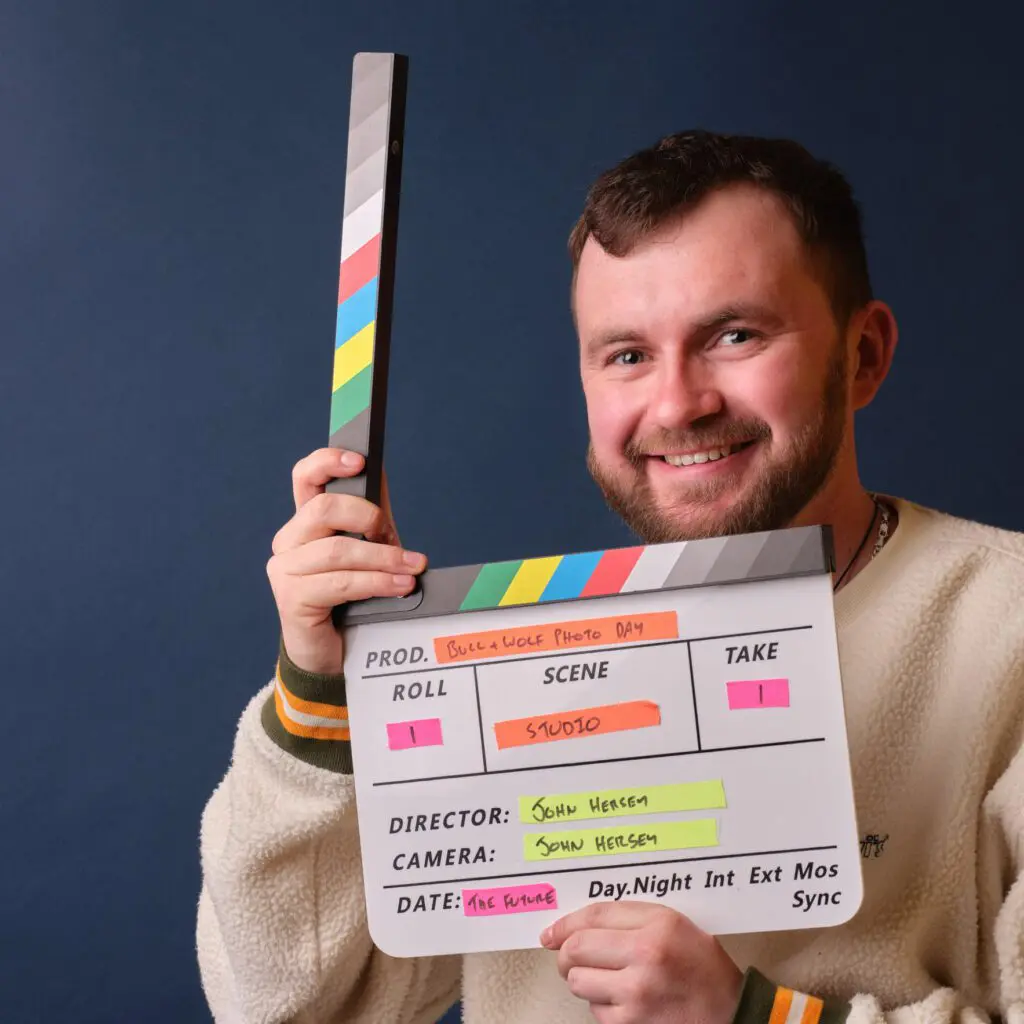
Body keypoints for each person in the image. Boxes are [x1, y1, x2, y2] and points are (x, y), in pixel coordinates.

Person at [196, 131, 1024, 1024]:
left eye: (735, 335)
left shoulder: (1005, 624)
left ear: (862, 356)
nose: (677, 404)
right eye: (626, 354)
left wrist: (751, 1017)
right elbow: (287, 1007)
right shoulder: (506, 671)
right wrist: (318, 689)